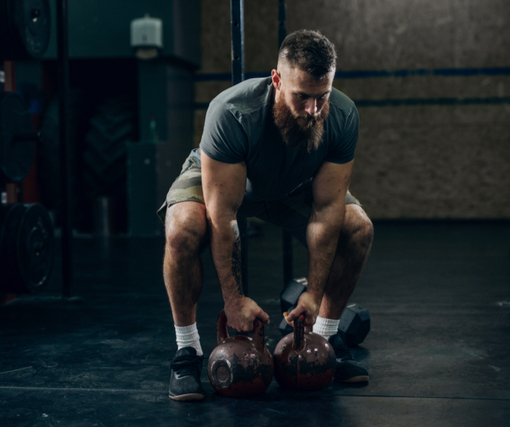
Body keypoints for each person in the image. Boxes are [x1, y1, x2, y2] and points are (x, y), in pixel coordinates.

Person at [158, 29, 374, 401]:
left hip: (291, 184)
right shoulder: (232, 112)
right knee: (182, 229)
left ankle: (325, 340)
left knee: (358, 229)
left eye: (321, 97)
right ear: (276, 80)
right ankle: (186, 350)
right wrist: (234, 300)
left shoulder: (341, 115)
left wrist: (312, 294)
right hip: (222, 178)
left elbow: (326, 210)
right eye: (302, 97)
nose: (313, 110)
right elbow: (223, 215)